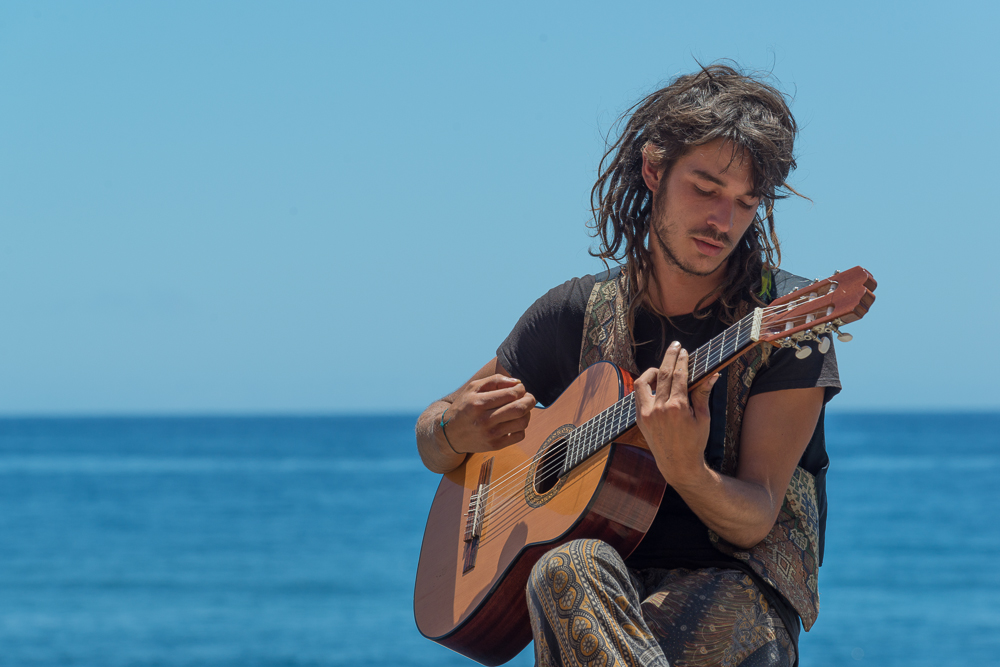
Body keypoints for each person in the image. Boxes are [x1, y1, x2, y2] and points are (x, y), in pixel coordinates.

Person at [415, 64, 840, 667]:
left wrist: (685, 467)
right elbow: (433, 441)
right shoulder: (573, 313)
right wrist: (451, 428)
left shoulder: (784, 322)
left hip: (736, 602)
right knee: (565, 568)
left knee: (710, 607)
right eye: (706, 188)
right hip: (600, 607)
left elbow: (756, 517)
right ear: (653, 169)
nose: (723, 221)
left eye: (746, 203)